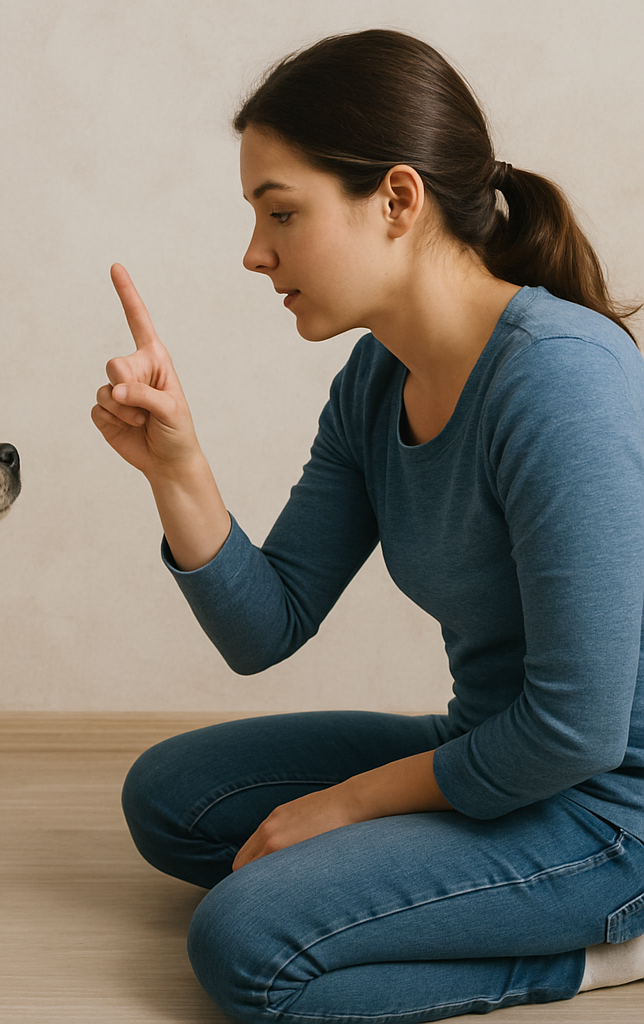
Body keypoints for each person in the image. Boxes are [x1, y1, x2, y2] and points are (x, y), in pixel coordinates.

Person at [91, 28, 644, 1024]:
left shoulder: (559, 382)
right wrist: (177, 468)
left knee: (245, 942)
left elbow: (577, 730)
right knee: (170, 797)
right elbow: (269, 626)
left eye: (281, 213)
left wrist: (343, 804)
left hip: (611, 808)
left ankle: (602, 953)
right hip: (499, 751)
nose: (254, 254)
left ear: (396, 199)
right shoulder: (375, 379)